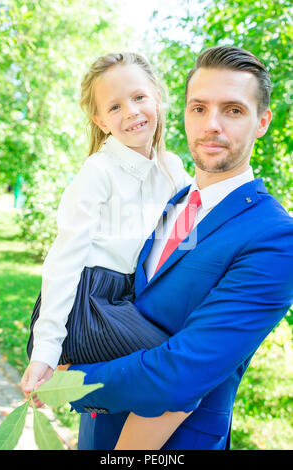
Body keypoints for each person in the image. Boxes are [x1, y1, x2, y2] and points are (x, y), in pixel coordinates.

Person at [60, 46, 292, 450]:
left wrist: (68, 384)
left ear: (262, 121)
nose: (211, 125)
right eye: (198, 108)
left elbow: (181, 372)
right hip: (100, 432)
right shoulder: (172, 199)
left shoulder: (275, 236)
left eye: (233, 110)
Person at [21, 52, 196, 442]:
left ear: (157, 96)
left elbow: (189, 234)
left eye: (138, 97)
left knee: (179, 372)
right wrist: (47, 349)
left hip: (128, 299)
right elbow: (64, 261)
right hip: (90, 304)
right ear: (101, 121)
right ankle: (64, 373)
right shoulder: (98, 172)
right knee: (182, 376)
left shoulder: (172, 168)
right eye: (115, 106)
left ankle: (87, 387)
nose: (131, 111)